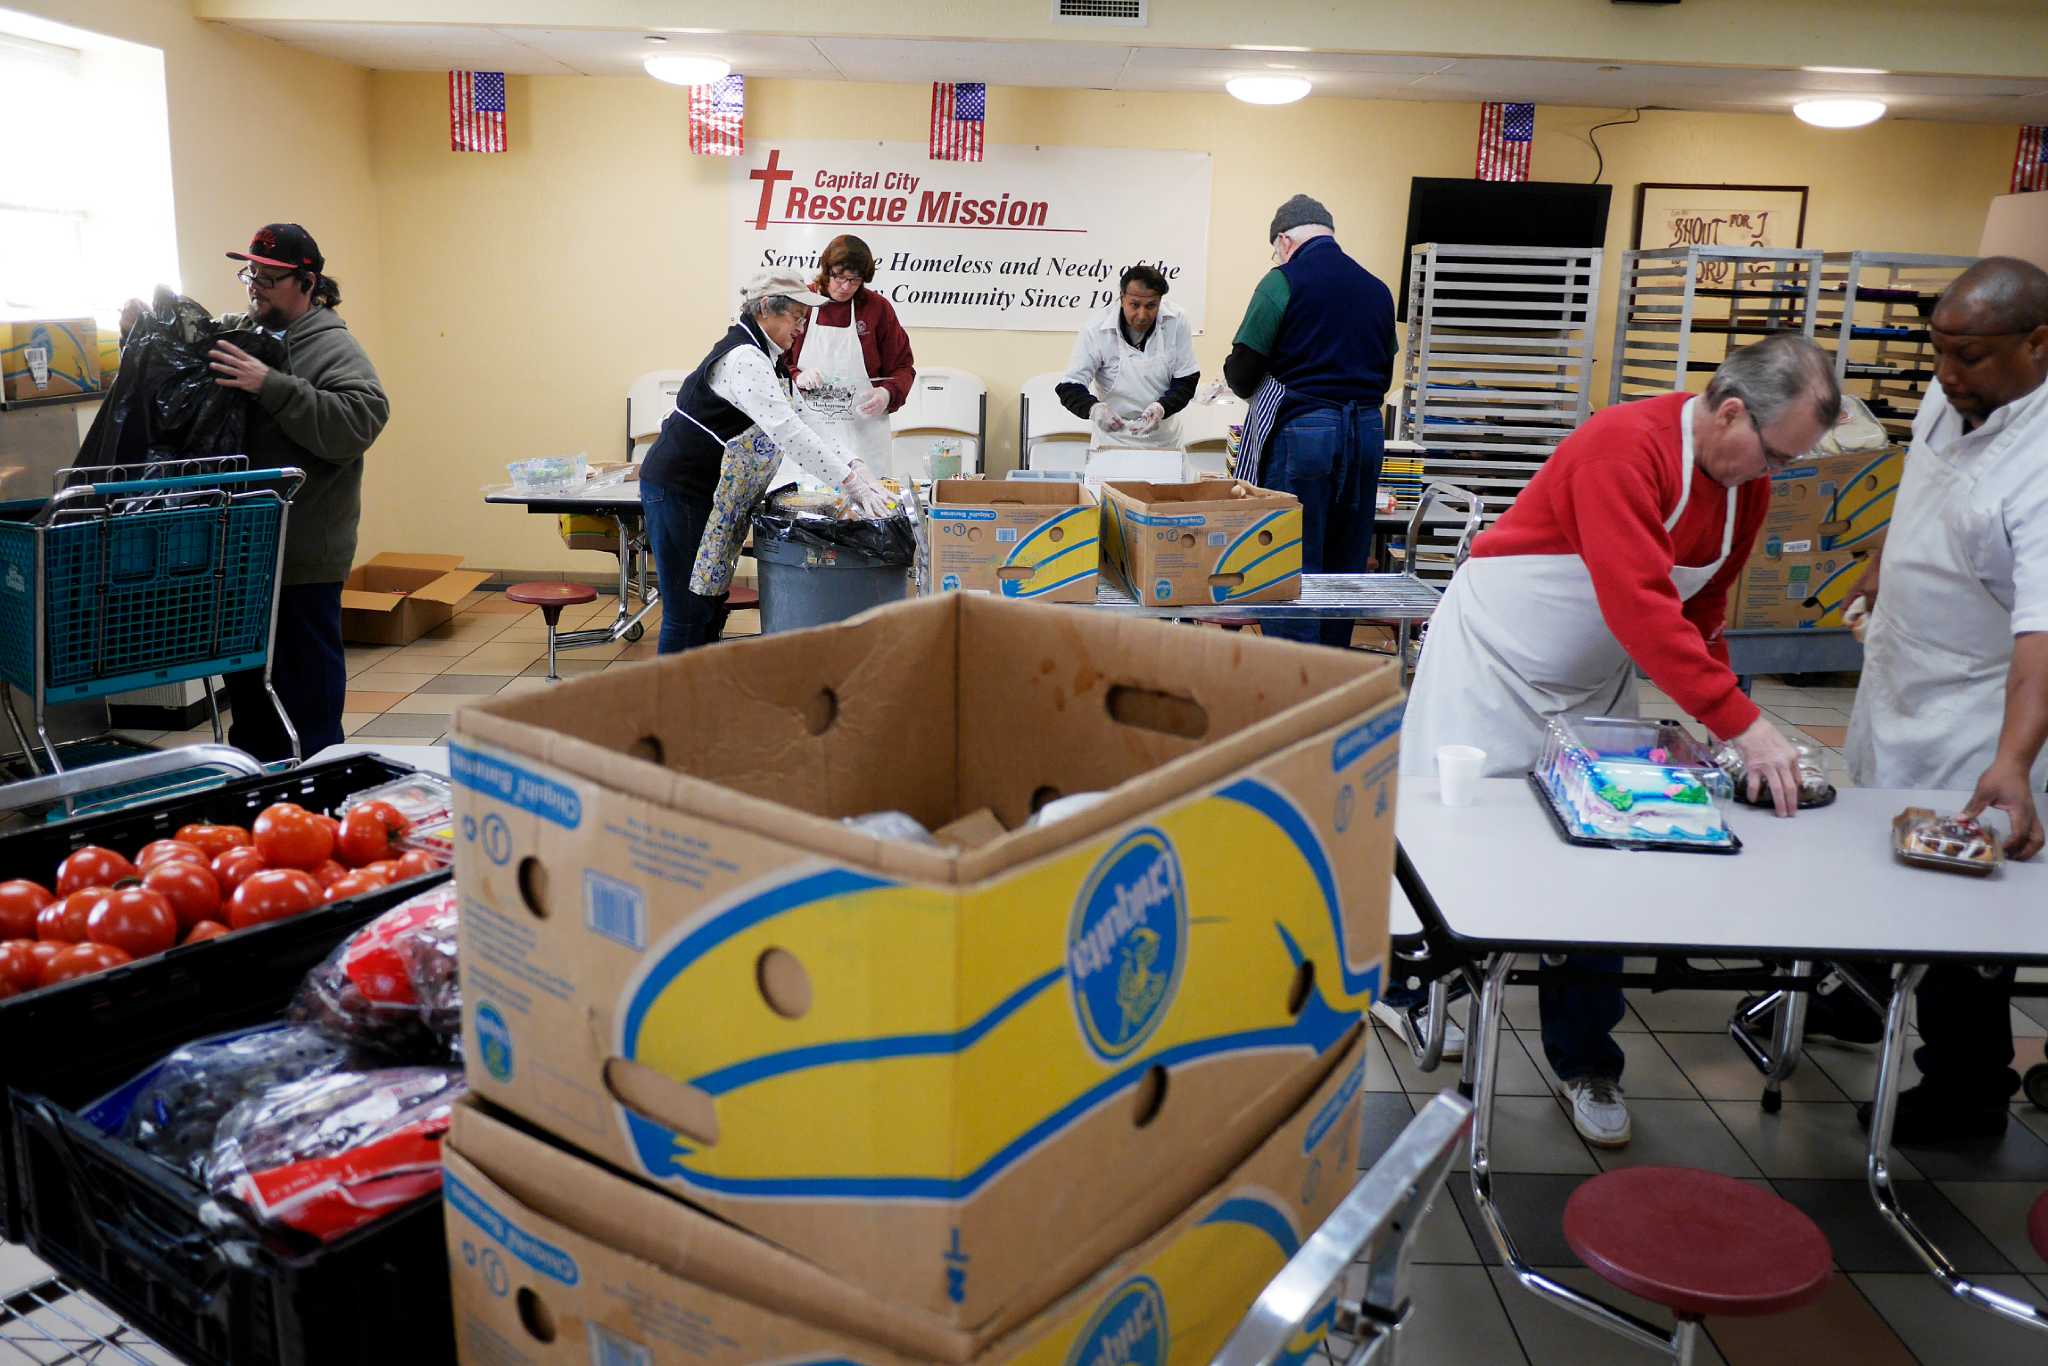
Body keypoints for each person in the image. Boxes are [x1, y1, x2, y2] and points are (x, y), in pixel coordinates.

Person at [1396, 333, 1839, 1148]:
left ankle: (1584, 1058)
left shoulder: (1746, 491)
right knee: (1461, 839)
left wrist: (1731, 731)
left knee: (1602, 850)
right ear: (1732, 411)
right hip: (1496, 658)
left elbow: (1697, 620)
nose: (1775, 472)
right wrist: (1749, 727)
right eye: (1776, 454)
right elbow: (1641, 607)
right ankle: (1412, 990)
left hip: (1593, 672)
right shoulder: (1622, 448)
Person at [1837, 256, 2048, 1145]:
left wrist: (2012, 760)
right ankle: (1857, 994)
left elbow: (2044, 630)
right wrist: (1886, 561)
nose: (1947, 373)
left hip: (1978, 703)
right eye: (1939, 352)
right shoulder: (1956, 393)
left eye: (1969, 356)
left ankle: (1967, 1090)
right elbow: (1919, 482)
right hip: (1900, 670)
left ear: (2038, 345)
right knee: (1862, 846)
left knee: (1959, 901)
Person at [143, 225, 387, 762]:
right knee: (251, 693)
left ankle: (316, 785)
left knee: (306, 693)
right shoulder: (247, 333)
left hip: (302, 558)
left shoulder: (331, 345)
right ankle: (255, 790)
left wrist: (269, 385)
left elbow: (362, 418)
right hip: (245, 554)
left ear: (307, 282)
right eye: (250, 273)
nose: (255, 286)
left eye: (269, 277)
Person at [638, 271, 892, 654]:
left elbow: (807, 419)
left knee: (708, 603)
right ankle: (668, 708)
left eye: (804, 319)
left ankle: (698, 700)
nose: (801, 327)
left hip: (711, 497)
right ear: (764, 310)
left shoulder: (769, 359)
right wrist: (848, 483)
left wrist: (856, 465)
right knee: (688, 609)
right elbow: (788, 432)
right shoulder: (743, 358)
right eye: (795, 317)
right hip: (680, 490)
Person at [1223, 195, 1396, 646]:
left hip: (1306, 431)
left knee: (1291, 558)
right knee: (1346, 562)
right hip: (1366, 431)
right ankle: (1330, 674)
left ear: (1284, 240)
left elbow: (1242, 374)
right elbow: (1385, 373)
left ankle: (1293, 682)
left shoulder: (1282, 282)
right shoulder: (1377, 288)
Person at [785, 235, 915, 478]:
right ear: (826, 270)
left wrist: (887, 393)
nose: (845, 287)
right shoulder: (800, 302)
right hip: (809, 435)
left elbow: (903, 367)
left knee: (869, 505)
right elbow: (775, 361)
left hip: (864, 434)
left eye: (854, 281)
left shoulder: (877, 309)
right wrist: (796, 376)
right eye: (839, 277)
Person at [1055, 264, 1200, 449]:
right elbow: (1069, 386)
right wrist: (1094, 409)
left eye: (1151, 306)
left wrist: (1161, 408)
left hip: (1164, 439)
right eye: (1135, 305)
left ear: (1160, 301)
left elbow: (1187, 380)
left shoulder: (1177, 320)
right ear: (1122, 298)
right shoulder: (1096, 329)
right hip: (1112, 441)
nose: (1142, 315)